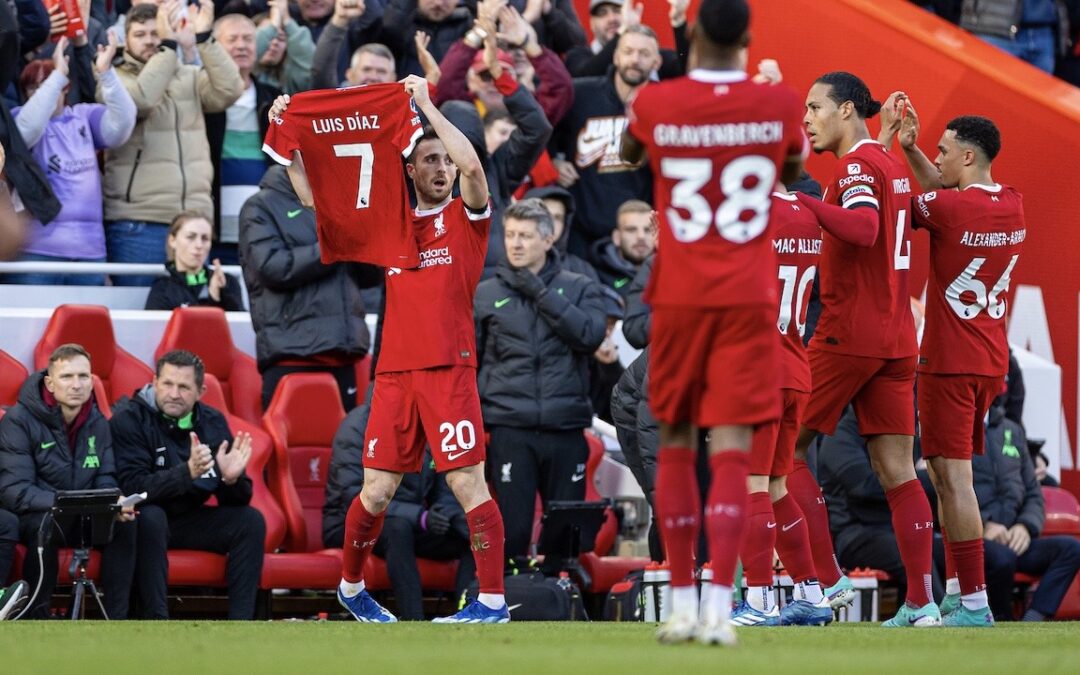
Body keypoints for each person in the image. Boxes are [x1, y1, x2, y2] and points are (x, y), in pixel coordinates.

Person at [269, 73, 509, 624]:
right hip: (396, 374)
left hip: (450, 368)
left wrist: (425, 104)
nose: (441, 168)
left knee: (466, 480)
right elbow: (313, 197)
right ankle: (351, 588)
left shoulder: (466, 219)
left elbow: (474, 168)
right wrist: (286, 135)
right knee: (376, 490)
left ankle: (492, 601)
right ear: (409, 169)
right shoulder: (388, 222)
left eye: (443, 160)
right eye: (428, 160)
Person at [621, 0, 806, 645]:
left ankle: (679, 603)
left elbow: (629, 151)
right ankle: (722, 610)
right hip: (747, 300)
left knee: (673, 440)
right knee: (733, 450)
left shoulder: (656, 102)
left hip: (679, 296)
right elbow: (791, 170)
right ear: (750, 38)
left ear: (691, 32)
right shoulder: (779, 104)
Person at [795, 70, 935, 626]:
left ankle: (826, 582)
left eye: (815, 107)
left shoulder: (855, 166)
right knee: (898, 470)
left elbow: (862, 228)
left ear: (848, 110)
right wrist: (886, 136)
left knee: (781, 453)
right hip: (898, 337)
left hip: (849, 333)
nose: (806, 119)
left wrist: (804, 206)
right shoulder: (885, 162)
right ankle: (922, 604)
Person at [881, 104, 1026, 626]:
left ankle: (974, 603)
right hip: (989, 359)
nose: (936, 158)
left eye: (943, 151)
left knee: (953, 479)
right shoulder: (1012, 204)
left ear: (967, 155)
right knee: (945, 477)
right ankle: (957, 593)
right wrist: (916, 150)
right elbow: (944, 192)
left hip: (948, 360)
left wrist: (890, 145)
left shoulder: (948, 211)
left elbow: (912, 202)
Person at [474, 198, 606, 560]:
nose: (515, 244)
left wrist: (539, 293)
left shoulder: (580, 286)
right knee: (513, 530)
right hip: (509, 428)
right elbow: (472, 360)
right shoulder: (486, 292)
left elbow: (590, 336)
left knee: (565, 535)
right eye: (511, 235)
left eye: (526, 236)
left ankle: (562, 599)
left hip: (565, 428)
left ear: (548, 240)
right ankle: (508, 599)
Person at [109, 350, 265, 619]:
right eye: (167, 384)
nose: (174, 393)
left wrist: (231, 480)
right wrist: (187, 472)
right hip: (143, 519)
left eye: (184, 387)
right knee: (151, 517)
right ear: (155, 381)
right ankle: (155, 619)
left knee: (250, 521)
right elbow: (132, 487)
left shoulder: (213, 422)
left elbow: (236, 500)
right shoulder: (129, 419)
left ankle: (243, 624)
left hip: (187, 519)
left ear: (201, 391)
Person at [102, 0, 244, 286]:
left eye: (157, 33)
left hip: (192, 225)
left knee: (190, 317)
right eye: (140, 34)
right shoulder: (113, 77)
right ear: (125, 39)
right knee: (139, 320)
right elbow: (142, 100)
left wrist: (204, 38)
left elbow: (230, 90)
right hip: (139, 224)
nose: (150, 40)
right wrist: (168, 46)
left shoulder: (188, 76)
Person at [0, 344, 137, 619]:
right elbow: (15, 492)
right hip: (35, 515)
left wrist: (114, 503)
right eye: (67, 377)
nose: (77, 385)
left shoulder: (98, 422)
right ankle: (35, 615)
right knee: (48, 524)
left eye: (84, 376)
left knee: (127, 525)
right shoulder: (19, 420)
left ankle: (117, 620)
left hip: (80, 513)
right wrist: (68, 505)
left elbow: (105, 477)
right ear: (50, 383)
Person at [238, 165, 380, 411]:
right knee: (294, 448)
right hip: (293, 353)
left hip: (343, 354)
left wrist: (368, 240)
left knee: (342, 447)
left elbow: (369, 277)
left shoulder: (339, 202)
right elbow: (271, 267)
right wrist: (332, 245)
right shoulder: (260, 206)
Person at [323, 404, 475, 620]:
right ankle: (414, 619)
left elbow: (445, 483)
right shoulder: (357, 426)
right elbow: (356, 496)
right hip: (349, 525)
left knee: (467, 533)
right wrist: (420, 517)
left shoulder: (429, 422)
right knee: (397, 529)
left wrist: (449, 514)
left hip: (413, 522)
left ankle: (466, 614)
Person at [7, 32, 134, 286]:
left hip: (90, 252)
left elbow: (122, 126)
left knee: (86, 327)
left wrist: (106, 73)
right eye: (34, 87)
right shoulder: (19, 118)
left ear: (66, 89)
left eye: (52, 85)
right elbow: (26, 132)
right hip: (38, 254)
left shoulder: (84, 116)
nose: (42, 92)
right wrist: (56, 76)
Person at [817, 407, 945, 606]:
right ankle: (931, 612)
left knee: (986, 556)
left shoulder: (896, 433)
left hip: (895, 528)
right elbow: (865, 489)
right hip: (857, 534)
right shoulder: (839, 437)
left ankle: (978, 612)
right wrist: (925, 478)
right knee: (915, 553)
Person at [552, 24, 660, 258]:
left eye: (644, 54)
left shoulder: (665, 104)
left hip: (638, 239)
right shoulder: (580, 94)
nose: (635, 59)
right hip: (582, 236)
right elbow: (543, 132)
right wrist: (554, 162)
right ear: (616, 55)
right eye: (629, 51)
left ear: (656, 63)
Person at [975, 396, 1080, 621]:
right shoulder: (952, 428)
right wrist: (982, 524)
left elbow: (1033, 492)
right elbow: (942, 491)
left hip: (1013, 537)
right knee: (1002, 558)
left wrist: (1025, 525)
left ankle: (1035, 617)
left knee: (1071, 549)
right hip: (972, 539)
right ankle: (1000, 620)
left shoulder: (1012, 430)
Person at [207, 13, 282, 263]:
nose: (241, 45)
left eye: (248, 39)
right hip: (214, 233)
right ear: (215, 48)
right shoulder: (205, 99)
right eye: (232, 39)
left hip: (264, 231)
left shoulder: (274, 99)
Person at [145, 212, 246, 311]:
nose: (199, 245)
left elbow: (241, 325)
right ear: (172, 241)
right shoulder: (163, 287)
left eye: (205, 238)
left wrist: (218, 297)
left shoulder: (226, 282)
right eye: (190, 237)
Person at [564, 0, 688, 79]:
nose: (611, 18)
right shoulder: (578, 56)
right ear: (591, 23)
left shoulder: (654, 57)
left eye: (617, 11)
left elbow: (689, 71)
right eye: (602, 13)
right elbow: (586, 76)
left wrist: (679, 21)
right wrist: (623, 30)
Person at [588, 198, 655, 298]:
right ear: (616, 237)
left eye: (648, 230)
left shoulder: (670, 275)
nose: (641, 236)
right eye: (631, 230)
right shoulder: (594, 277)